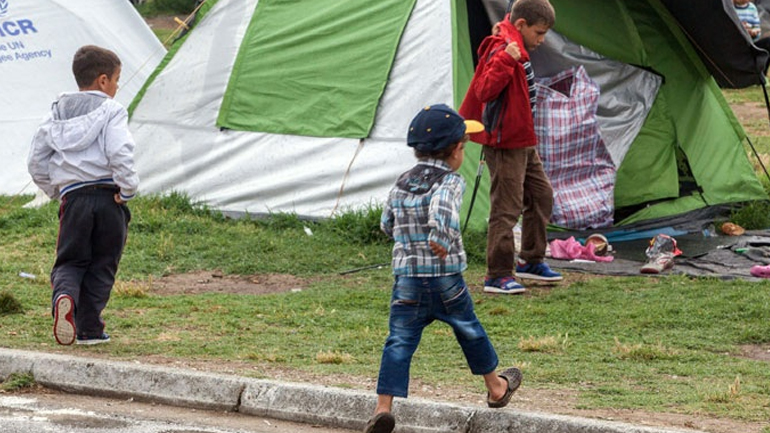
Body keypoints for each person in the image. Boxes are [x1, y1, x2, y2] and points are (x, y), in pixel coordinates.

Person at [363, 104, 522, 433]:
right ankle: (496, 388)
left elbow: (386, 223)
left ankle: (383, 408)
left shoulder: (403, 181)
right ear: (454, 150)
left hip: (406, 280)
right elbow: (443, 208)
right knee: (469, 330)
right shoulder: (450, 181)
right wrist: (439, 235)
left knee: (399, 341)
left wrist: (405, 236)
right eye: (464, 146)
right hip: (445, 280)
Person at [27, 45, 138, 346]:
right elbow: (119, 151)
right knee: (103, 262)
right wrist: (128, 189)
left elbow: (36, 160)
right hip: (109, 198)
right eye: (117, 79)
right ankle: (90, 328)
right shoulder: (112, 110)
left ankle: (64, 298)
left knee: (70, 261)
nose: (117, 85)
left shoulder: (56, 113)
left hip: (73, 198)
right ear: (103, 80)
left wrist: (55, 190)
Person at [459, 0, 562, 295]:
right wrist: (506, 58)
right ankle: (498, 273)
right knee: (507, 207)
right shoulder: (501, 46)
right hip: (505, 142)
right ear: (521, 26)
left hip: (523, 139)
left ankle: (531, 260)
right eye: (539, 33)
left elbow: (513, 11)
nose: (541, 41)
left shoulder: (514, 33)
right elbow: (483, 90)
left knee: (541, 196)